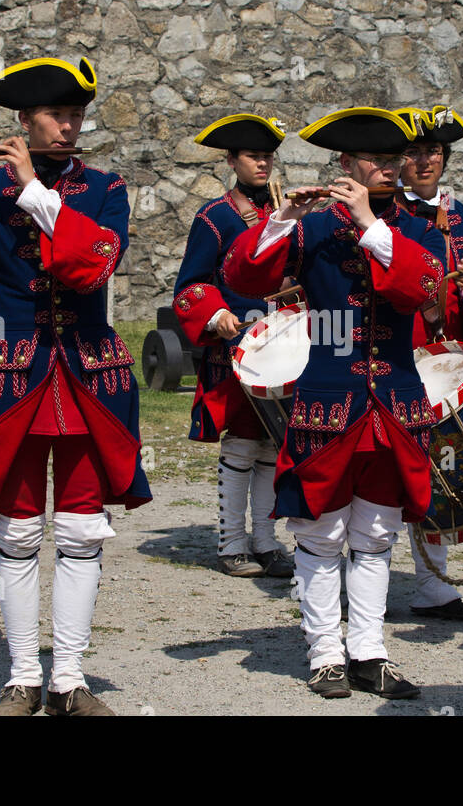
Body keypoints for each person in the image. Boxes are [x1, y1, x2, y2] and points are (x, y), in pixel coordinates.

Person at [0, 57, 152, 717]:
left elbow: (95, 262)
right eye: (55, 116)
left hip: (88, 378)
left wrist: (33, 190)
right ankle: (21, 675)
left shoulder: (105, 187)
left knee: (80, 529)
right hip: (6, 380)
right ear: (23, 121)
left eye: (76, 116)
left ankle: (70, 678)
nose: (69, 127)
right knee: (14, 532)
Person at [223, 107, 445, 700]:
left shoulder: (418, 228)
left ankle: (369, 650)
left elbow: (424, 290)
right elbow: (244, 276)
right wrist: (282, 219)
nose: (392, 169)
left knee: (376, 532)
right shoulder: (311, 228)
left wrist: (371, 222)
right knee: (321, 532)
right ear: (345, 165)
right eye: (377, 161)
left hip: (395, 397)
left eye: (396, 160)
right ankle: (325, 652)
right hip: (327, 396)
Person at [393, 105, 463, 622]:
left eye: (433, 151)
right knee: (390, 468)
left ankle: (432, 589)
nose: (424, 161)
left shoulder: (462, 218)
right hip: (396, 355)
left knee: (440, 466)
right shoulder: (385, 213)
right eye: (413, 152)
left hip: (446, 362)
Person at [172, 113, 294, 578]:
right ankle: (231, 544)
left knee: (271, 445)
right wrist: (216, 312)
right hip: (238, 346)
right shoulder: (215, 216)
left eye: (267, 156)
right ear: (232, 160)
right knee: (243, 441)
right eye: (252, 156)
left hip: (284, 345)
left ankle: (265, 541)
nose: (262, 163)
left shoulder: (287, 210)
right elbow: (191, 285)